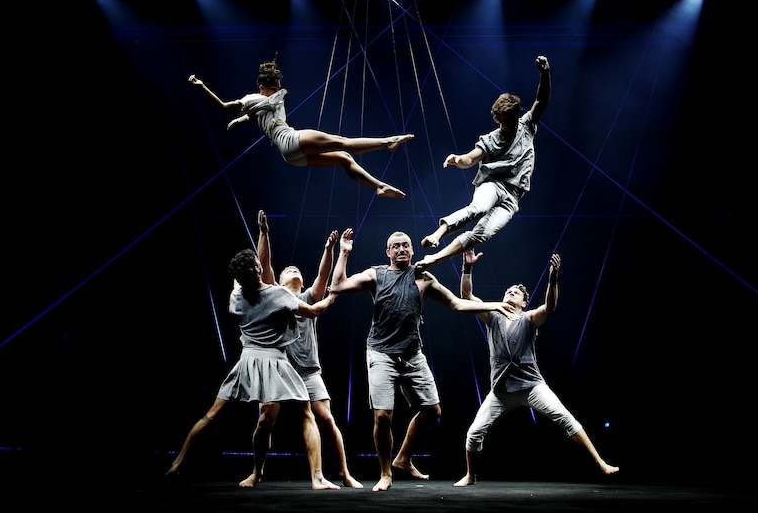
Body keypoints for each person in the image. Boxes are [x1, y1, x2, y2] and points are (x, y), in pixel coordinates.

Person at [328, 228, 518, 491]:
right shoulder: (377, 274)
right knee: (383, 416)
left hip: (412, 354)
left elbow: (456, 304)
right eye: (396, 246)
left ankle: (403, 458)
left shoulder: (424, 278)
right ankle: (386, 474)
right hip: (381, 352)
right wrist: (344, 253)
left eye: (406, 245)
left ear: (413, 250)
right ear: (388, 252)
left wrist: (493, 304)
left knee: (432, 411)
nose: (402, 249)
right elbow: (336, 286)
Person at [164, 248, 341, 490]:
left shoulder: (236, 296)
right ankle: (317, 477)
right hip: (275, 362)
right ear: (258, 270)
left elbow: (241, 278)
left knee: (212, 414)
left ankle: (178, 461)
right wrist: (332, 297)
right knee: (305, 413)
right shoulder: (278, 294)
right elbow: (313, 311)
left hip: (246, 362)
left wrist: (251, 257)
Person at [452, 249, 619, 487]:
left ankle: (600, 462)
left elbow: (549, 306)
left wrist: (553, 277)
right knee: (473, 433)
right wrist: (467, 267)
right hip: (500, 392)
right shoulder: (492, 316)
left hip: (532, 387)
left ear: (524, 301)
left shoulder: (529, 318)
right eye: (508, 290)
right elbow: (466, 295)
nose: (511, 292)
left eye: (517, 292)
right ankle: (471, 475)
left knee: (564, 417)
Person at [188, 58, 413, 198]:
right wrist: (201, 86)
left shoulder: (266, 101)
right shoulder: (253, 98)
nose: (277, 91)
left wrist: (241, 120)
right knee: (343, 141)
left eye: (278, 87)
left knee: (344, 157)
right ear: (261, 88)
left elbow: (256, 113)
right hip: (289, 138)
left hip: (290, 156)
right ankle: (387, 142)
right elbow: (224, 106)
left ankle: (378, 186)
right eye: (273, 88)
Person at [255, 209, 363, 488]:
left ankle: (343, 473)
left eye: (297, 271)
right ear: (278, 282)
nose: (293, 270)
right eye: (288, 270)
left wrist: (329, 249)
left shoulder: (306, 297)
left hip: (307, 371)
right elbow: (264, 264)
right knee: (265, 421)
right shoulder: (273, 296)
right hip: (278, 370)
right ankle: (257, 472)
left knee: (326, 418)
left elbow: (323, 278)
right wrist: (264, 234)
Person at [415, 55, 551, 270]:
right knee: (478, 209)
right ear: (498, 119)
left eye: (510, 120)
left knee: (483, 234)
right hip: (493, 185)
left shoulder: (527, 126)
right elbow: (471, 158)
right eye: (503, 121)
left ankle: (435, 258)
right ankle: (438, 232)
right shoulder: (492, 139)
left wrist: (545, 73)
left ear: (517, 115)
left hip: (513, 197)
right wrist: (457, 159)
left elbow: (541, 101)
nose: (507, 125)